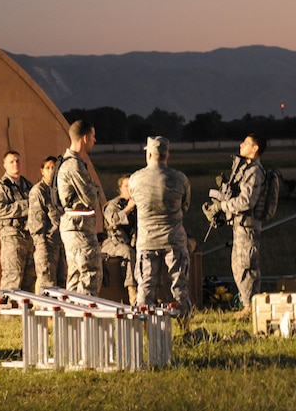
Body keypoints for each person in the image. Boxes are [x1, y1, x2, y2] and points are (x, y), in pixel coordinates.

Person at [129, 136, 192, 328]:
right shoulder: (180, 178)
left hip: (147, 241)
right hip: (174, 241)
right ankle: (184, 328)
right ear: (167, 155)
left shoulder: (136, 178)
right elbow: (185, 206)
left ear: (148, 154)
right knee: (178, 286)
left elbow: (135, 202)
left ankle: (144, 328)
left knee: (146, 287)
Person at [203, 134, 267, 320]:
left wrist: (222, 206)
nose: (241, 145)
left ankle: (250, 307)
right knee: (239, 266)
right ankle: (249, 305)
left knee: (246, 266)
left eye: (246, 143)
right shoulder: (246, 169)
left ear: (255, 148)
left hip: (247, 227)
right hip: (240, 226)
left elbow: (247, 201)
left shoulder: (254, 171)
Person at [57, 120, 103, 296]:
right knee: (90, 272)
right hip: (79, 228)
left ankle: (73, 319)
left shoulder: (73, 162)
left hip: (77, 226)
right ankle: (85, 318)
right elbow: (91, 198)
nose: (94, 140)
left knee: (77, 275)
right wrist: (97, 191)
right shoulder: (74, 165)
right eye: (93, 136)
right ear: (85, 138)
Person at [0, 150, 36, 299]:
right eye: (11, 161)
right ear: (4, 165)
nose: (15, 164)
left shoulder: (28, 185)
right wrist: (26, 206)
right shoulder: (1, 187)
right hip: (12, 236)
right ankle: (8, 316)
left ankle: (25, 316)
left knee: (29, 277)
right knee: (12, 276)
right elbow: (1, 211)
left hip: (29, 237)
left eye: (18, 161)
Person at [28, 156, 66, 293]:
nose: (51, 171)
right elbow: (36, 224)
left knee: (62, 283)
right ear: (42, 171)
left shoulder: (61, 190)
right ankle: (46, 314)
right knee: (47, 283)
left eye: (54, 167)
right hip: (46, 244)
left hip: (61, 244)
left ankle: (58, 314)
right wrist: (42, 247)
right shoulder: (38, 191)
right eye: (48, 168)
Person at [101, 173, 138, 304]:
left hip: (130, 242)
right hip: (113, 242)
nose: (129, 189)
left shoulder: (138, 206)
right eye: (126, 186)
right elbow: (113, 221)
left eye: (131, 186)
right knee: (127, 252)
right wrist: (128, 208)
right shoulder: (114, 204)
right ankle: (132, 291)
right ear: (120, 189)